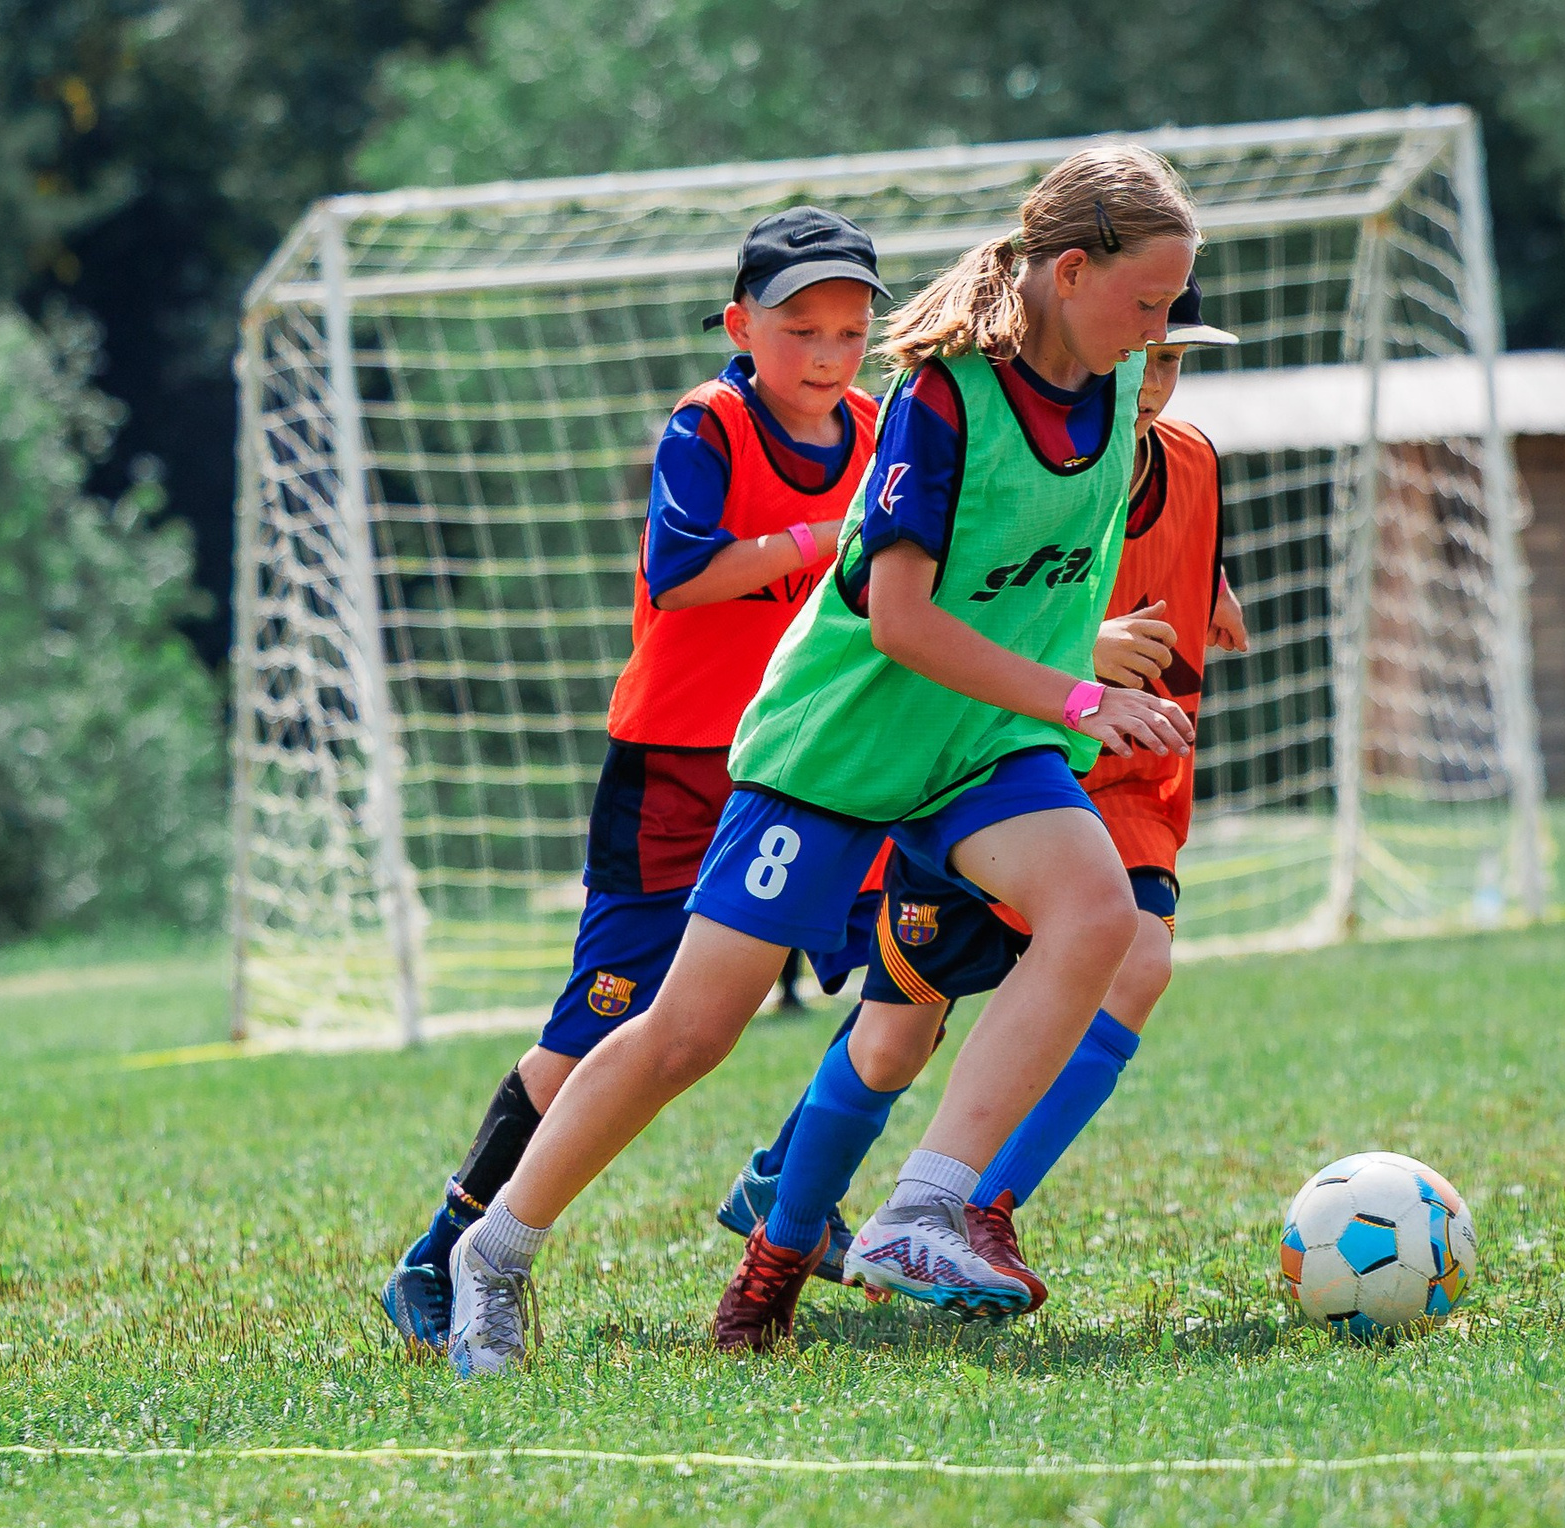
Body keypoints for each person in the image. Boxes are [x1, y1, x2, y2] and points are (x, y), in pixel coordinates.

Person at [443, 146, 1204, 1374]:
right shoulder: (943, 396)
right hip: (835, 750)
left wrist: (1093, 650)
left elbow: (1036, 571)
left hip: (978, 743)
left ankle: (921, 1210)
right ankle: (492, 1251)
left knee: (1098, 914)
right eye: (1149, 304)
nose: (1161, 335)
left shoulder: (1115, 395)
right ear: (1070, 272)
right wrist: (1078, 690)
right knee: (688, 1030)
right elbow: (901, 619)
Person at [374, 206, 888, 1352]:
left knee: (911, 971)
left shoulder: (877, 428)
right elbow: (688, 570)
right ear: (739, 324)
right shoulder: (705, 426)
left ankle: (782, 1187)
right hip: (676, 770)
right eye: (801, 327)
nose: (826, 353)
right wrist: (829, 539)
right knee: (607, 1026)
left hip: (817, 762)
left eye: (852, 330)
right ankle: (444, 1247)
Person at [718, 275, 1248, 1317]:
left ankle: (975, 1208)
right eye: (1146, 349)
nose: (1155, 376)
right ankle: (772, 1261)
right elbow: (966, 599)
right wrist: (1079, 656)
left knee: (1136, 954)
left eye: (1177, 358)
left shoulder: (1191, 464)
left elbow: (1183, 557)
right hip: (988, 761)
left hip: (1122, 789)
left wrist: (1211, 595)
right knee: (889, 1041)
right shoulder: (1016, 443)